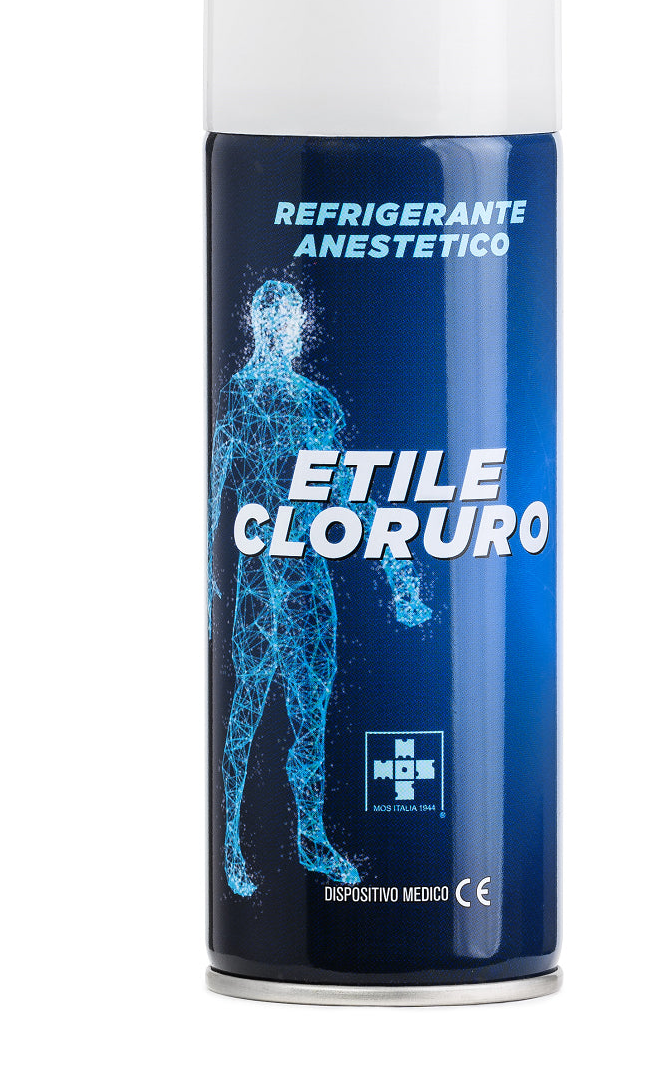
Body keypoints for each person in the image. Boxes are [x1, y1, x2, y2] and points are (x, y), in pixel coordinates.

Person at [209, 280, 431, 895]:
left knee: (312, 715)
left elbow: (351, 494)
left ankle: (311, 836)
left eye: (289, 320)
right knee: (245, 707)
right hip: (260, 578)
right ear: (256, 323)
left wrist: (400, 577)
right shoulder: (237, 396)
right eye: (270, 319)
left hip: (308, 576)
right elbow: (213, 489)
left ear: (299, 328)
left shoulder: (317, 404)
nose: (279, 330)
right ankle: (229, 839)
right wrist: (204, 577)